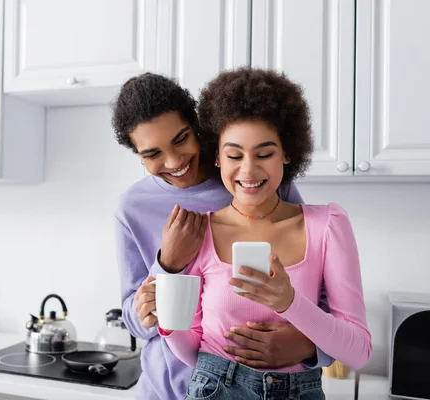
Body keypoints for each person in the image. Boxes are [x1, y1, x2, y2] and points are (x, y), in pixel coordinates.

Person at [111, 73, 333, 400]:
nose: (173, 162)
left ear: (198, 127)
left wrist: (310, 345)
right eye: (152, 154)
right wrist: (167, 264)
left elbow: (323, 291)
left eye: (181, 138)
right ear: (138, 155)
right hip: (167, 391)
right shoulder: (132, 208)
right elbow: (133, 319)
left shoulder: (253, 179)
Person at [158, 67, 372, 399]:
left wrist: (290, 305)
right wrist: (166, 319)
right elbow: (193, 351)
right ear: (217, 156)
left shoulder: (327, 225)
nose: (248, 169)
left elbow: (359, 351)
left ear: (287, 152)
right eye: (233, 155)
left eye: (264, 154)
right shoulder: (199, 231)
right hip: (215, 389)